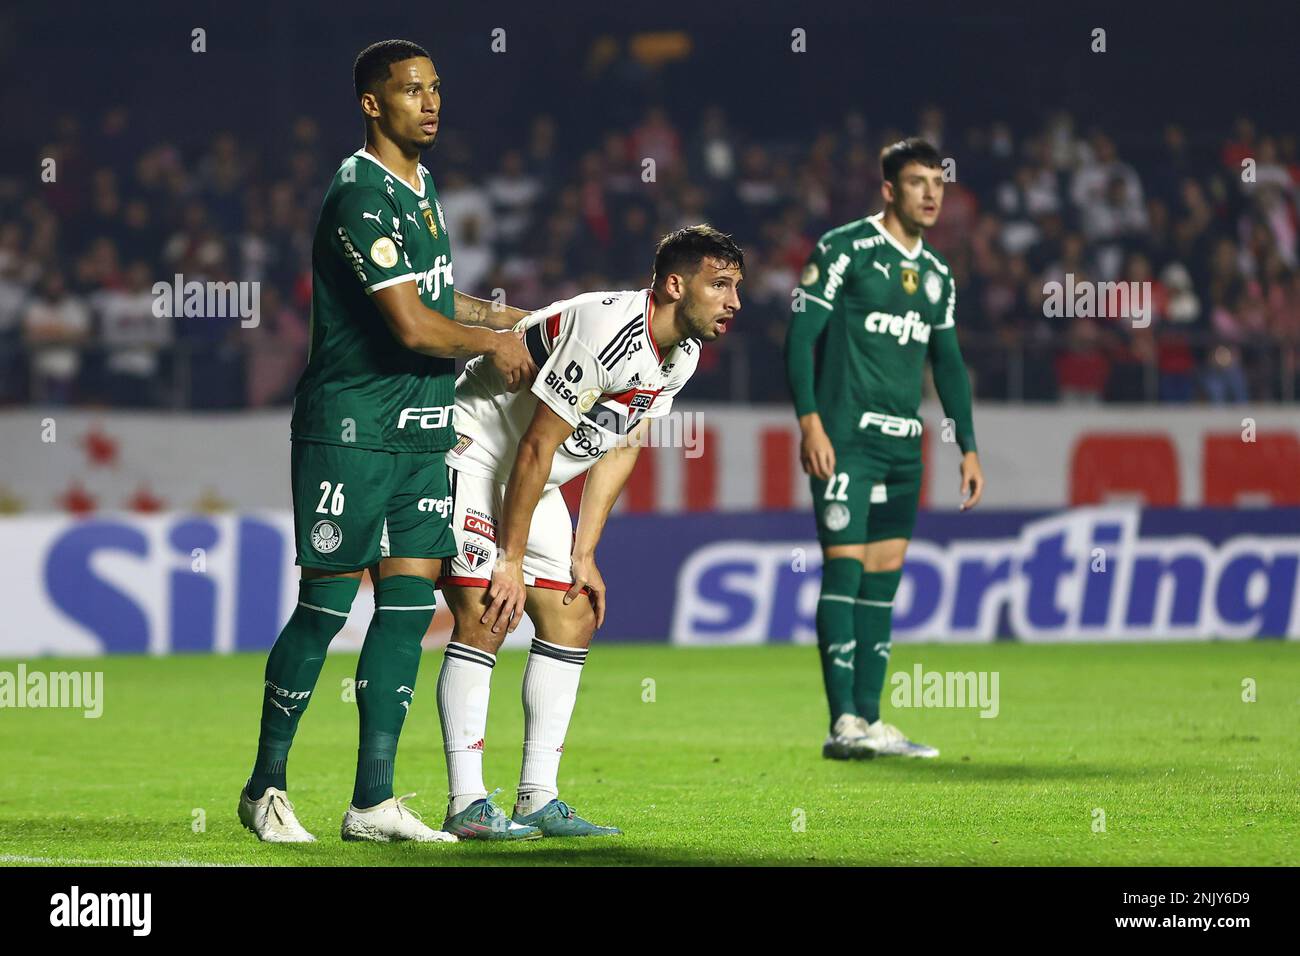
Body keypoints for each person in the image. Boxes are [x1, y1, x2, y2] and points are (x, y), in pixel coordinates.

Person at [238, 39, 534, 844]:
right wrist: (492, 346)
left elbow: (439, 297)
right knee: (326, 608)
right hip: (351, 432)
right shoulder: (359, 195)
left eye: (436, 88)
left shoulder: (425, 186)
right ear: (373, 103)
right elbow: (407, 323)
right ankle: (265, 787)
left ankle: (373, 801)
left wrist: (518, 320)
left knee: (405, 612)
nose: (431, 102)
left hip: (422, 433)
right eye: (412, 91)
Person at [434, 225, 743, 837]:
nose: (734, 301)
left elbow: (623, 442)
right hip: (477, 448)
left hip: (534, 475)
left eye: (737, 287)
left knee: (573, 613)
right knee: (489, 613)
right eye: (721, 285)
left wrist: (584, 553)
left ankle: (537, 797)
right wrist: (509, 560)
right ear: (675, 286)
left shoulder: (682, 351)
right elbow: (536, 445)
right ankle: (467, 802)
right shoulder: (610, 333)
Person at [784, 138, 985, 760]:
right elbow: (799, 339)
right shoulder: (845, 249)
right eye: (918, 181)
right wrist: (810, 423)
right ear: (889, 190)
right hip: (847, 438)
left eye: (938, 183)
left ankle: (871, 721)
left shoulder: (938, 273)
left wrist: (968, 447)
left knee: (882, 583)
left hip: (905, 447)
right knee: (844, 571)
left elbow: (947, 364)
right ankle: (842, 722)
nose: (931, 193)